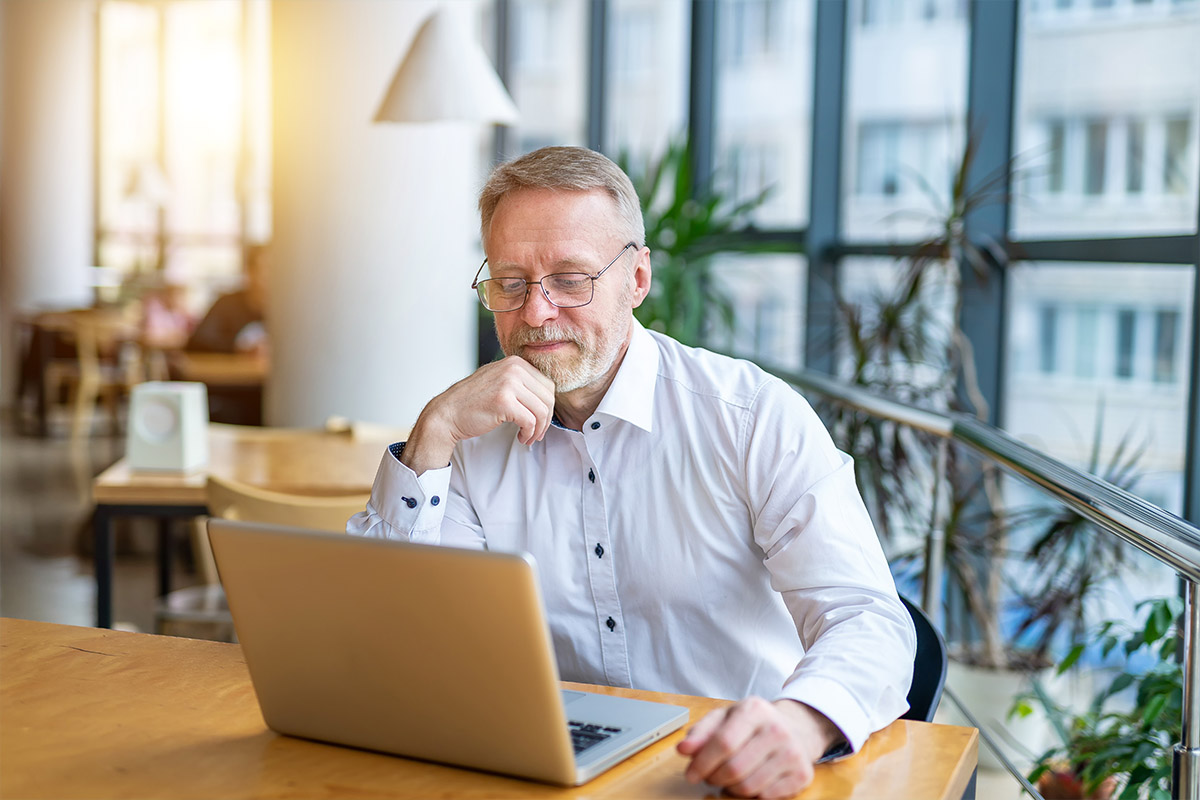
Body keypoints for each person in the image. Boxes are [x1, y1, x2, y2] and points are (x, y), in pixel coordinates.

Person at [348, 146, 915, 799]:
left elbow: (867, 618)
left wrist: (803, 722)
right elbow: (398, 644)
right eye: (511, 282)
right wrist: (433, 434)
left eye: (570, 278)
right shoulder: (468, 442)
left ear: (637, 279)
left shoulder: (751, 417)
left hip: (736, 777)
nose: (535, 313)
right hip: (542, 775)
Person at [185, 244, 269, 356]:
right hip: (232, 372)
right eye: (263, 269)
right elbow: (197, 343)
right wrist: (239, 349)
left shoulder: (288, 311)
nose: (267, 276)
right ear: (249, 272)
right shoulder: (226, 305)